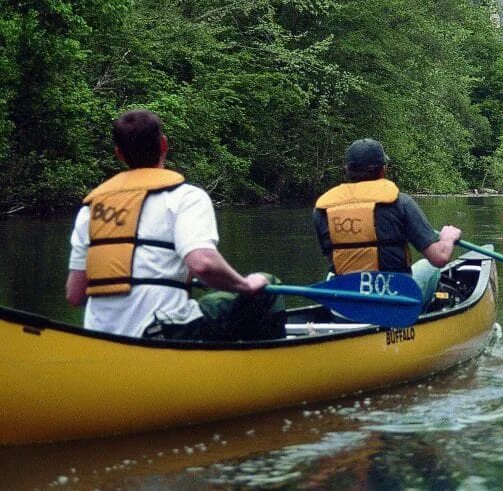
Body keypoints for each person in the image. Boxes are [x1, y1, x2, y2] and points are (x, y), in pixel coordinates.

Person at [66, 110, 285, 341]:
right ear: (163, 144)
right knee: (266, 285)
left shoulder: (89, 211)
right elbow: (204, 264)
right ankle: (263, 366)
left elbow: (75, 295)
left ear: (119, 154)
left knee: (203, 303)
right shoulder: (185, 197)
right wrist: (245, 285)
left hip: (101, 337)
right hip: (162, 332)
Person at [313, 138, 462, 308]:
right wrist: (447, 238)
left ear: (346, 170)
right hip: (394, 299)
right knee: (430, 267)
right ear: (383, 170)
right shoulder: (401, 203)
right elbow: (439, 258)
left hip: (346, 301)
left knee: (331, 277)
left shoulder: (322, 210)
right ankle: (425, 316)